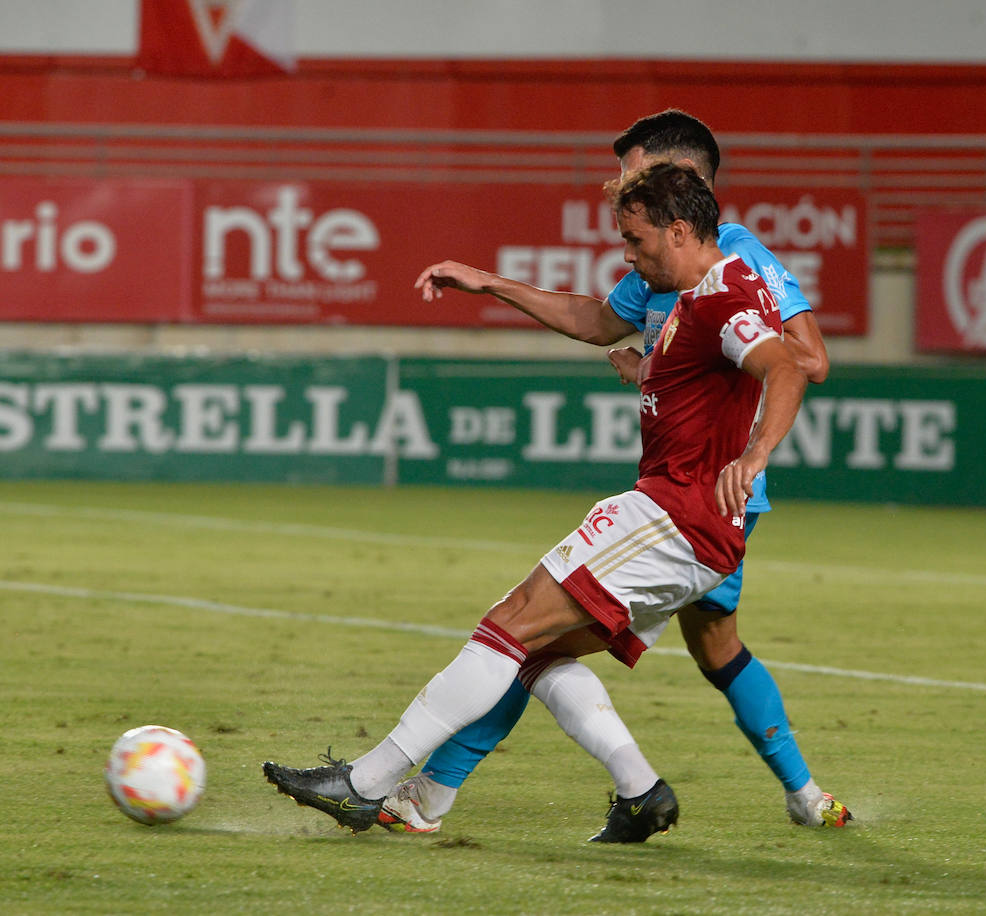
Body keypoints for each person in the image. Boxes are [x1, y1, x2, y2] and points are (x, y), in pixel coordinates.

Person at [264, 162, 808, 843]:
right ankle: (637, 792)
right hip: (688, 528)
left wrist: (757, 453)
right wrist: (498, 287)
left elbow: (786, 365)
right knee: (536, 648)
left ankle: (364, 784)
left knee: (509, 623)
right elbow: (610, 327)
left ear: (677, 229)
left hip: (676, 518)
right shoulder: (695, 294)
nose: (628, 256)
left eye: (635, 242)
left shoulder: (725, 295)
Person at [389, 110, 850, 836]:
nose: (625, 186)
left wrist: (735, 420)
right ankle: (805, 795)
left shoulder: (733, 259)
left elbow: (807, 359)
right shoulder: (660, 261)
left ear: (682, 181)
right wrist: (487, 283)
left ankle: (432, 791)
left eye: (637, 171)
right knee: (714, 645)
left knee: (540, 629)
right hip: (677, 489)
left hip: (708, 496)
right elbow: (594, 319)